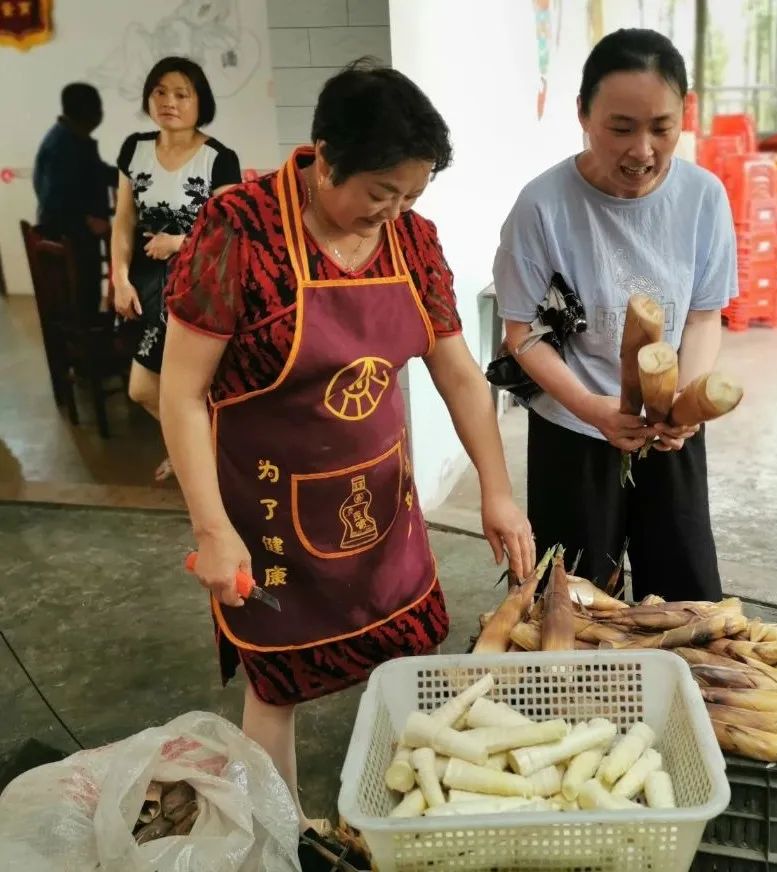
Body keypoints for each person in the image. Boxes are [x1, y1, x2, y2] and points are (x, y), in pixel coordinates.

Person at [160, 59, 535, 830]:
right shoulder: (241, 232)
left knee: (405, 654)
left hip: (378, 505)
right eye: (377, 193)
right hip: (266, 510)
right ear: (324, 155)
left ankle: (408, 824)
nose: (390, 212)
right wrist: (211, 529)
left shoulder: (410, 240)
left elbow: (459, 374)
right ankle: (283, 835)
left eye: (408, 196)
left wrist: (497, 490)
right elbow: (182, 392)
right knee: (276, 682)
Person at [494, 29, 737, 603]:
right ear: (582, 114)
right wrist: (589, 407)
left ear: (686, 113)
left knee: (685, 595)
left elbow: (703, 318)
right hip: (573, 424)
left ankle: (679, 687)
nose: (643, 150)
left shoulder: (703, 198)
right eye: (621, 128)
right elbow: (523, 336)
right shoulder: (542, 207)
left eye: (662, 127)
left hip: (668, 424)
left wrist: (689, 403)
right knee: (570, 596)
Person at [111, 56, 241, 481]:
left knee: (145, 387)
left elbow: (232, 234)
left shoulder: (218, 158)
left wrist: (180, 243)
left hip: (198, 282)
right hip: (148, 282)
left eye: (182, 94)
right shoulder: (135, 148)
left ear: (201, 102)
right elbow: (124, 220)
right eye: (160, 92)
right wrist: (120, 277)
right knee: (166, 388)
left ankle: (201, 453)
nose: (169, 101)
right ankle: (199, 453)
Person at [33, 83, 114, 318]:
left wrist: (134, 178)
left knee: (85, 297)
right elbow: (54, 199)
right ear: (85, 110)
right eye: (97, 107)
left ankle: (88, 337)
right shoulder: (63, 145)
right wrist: (88, 220)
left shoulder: (74, 139)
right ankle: (86, 345)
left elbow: (97, 172)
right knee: (79, 300)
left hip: (75, 235)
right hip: (69, 237)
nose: (100, 113)